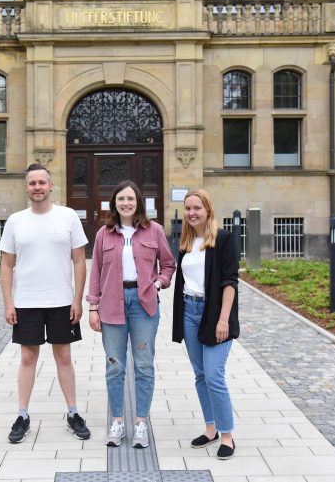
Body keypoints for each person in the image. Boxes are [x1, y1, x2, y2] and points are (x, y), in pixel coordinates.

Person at [0, 163, 91, 444]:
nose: (37, 187)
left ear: (51, 186)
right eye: (32, 183)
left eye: (42, 182)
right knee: (28, 358)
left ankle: (73, 413)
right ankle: (23, 415)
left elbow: (79, 260)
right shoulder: (15, 220)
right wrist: (8, 303)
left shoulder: (68, 217)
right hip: (27, 301)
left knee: (63, 357)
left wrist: (77, 299)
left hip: (61, 300)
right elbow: (6, 266)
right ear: (26, 187)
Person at [86, 181, 175, 448]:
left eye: (131, 199)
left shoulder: (154, 230)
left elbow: (169, 264)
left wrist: (158, 283)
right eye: (121, 199)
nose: (126, 203)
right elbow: (96, 272)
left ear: (138, 202)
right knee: (115, 366)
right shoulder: (104, 233)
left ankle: (140, 423)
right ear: (114, 203)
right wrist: (92, 306)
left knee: (143, 364)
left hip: (143, 304)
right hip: (111, 304)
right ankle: (116, 422)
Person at [171, 189, 240, 460]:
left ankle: (227, 435)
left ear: (208, 209)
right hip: (189, 311)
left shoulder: (223, 239)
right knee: (200, 374)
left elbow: (229, 283)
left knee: (214, 375)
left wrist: (223, 320)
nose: (191, 213)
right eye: (188, 208)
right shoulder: (186, 242)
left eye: (197, 208)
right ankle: (210, 428)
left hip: (215, 315)